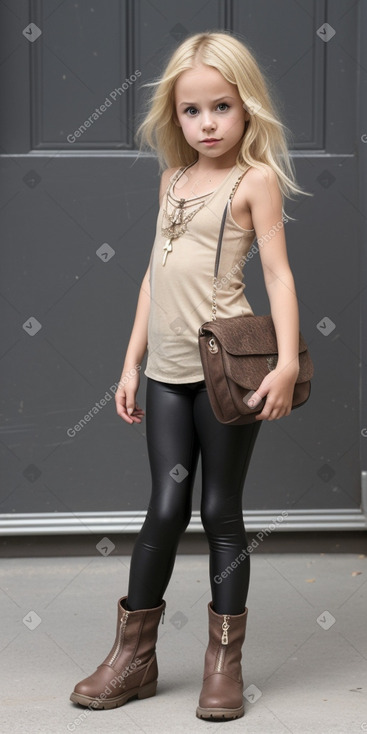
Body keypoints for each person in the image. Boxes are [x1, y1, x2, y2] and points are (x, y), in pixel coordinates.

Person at [70, 30, 311, 721]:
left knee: (218, 512)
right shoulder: (171, 180)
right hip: (166, 375)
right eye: (191, 111)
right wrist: (130, 360)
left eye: (221, 108)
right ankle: (132, 659)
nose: (207, 124)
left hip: (223, 376)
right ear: (173, 117)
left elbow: (277, 275)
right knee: (164, 509)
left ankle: (222, 665)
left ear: (246, 109)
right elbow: (153, 272)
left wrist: (288, 361)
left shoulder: (253, 181)